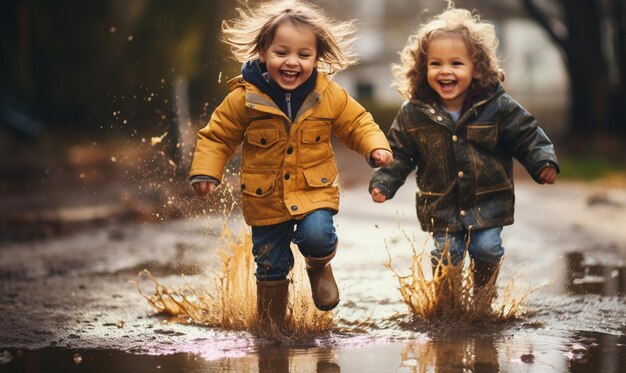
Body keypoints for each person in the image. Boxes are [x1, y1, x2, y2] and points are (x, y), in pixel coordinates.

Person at [190, 0, 393, 332]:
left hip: (314, 191)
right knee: (271, 263)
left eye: (303, 55)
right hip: (265, 197)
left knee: (318, 236)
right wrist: (206, 171)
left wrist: (376, 148)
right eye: (281, 52)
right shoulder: (244, 98)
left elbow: (357, 123)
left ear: (316, 58)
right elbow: (217, 136)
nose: (292, 62)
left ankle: (319, 266)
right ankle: (272, 327)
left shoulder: (328, 94)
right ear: (262, 53)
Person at [369, 6, 559, 297]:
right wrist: (384, 182)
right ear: (424, 69)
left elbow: (526, 134)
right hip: (442, 204)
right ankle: (447, 305)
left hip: (488, 201)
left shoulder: (497, 105)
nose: (445, 71)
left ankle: (483, 298)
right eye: (436, 64)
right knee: (447, 252)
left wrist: (542, 160)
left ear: (476, 68)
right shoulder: (414, 113)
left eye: (456, 63)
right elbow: (399, 152)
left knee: (486, 247)